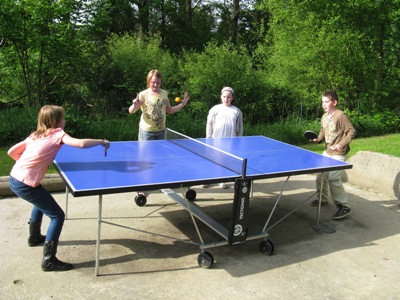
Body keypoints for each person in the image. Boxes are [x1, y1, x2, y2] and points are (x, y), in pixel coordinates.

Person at [8, 105, 110, 271]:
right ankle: (49, 260)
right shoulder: (58, 134)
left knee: (40, 200)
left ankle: (34, 238)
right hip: (25, 184)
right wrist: (101, 142)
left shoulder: (35, 135)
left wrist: (26, 166)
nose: (65, 120)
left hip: (15, 179)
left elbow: (12, 152)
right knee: (57, 216)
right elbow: (81, 144)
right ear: (56, 121)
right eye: (63, 118)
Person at [309, 91, 356, 220]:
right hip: (328, 150)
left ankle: (344, 206)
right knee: (320, 175)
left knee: (333, 178)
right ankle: (323, 199)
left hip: (339, 152)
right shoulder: (325, 116)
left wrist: (341, 144)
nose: (324, 104)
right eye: (322, 102)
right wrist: (318, 139)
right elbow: (323, 130)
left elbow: (351, 131)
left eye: (327, 102)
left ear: (334, 102)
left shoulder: (341, 116)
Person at [128, 69, 189, 141]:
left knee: (160, 152)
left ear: (161, 82)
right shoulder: (143, 94)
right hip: (147, 132)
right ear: (148, 81)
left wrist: (183, 104)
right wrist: (134, 105)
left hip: (161, 131)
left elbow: (169, 110)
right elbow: (131, 111)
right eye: (153, 82)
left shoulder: (164, 93)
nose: (155, 85)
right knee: (146, 152)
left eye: (158, 83)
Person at [205, 86, 243, 189]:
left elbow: (239, 128)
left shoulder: (237, 111)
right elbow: (209, 124)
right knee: (211, 161)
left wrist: (238, 141)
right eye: (224, 97)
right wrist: (208, 138)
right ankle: (207, 180)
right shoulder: (215, 109)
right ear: (221, 97)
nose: (226, 99)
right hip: (216, 141)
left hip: (230, 142)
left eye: (229, 97)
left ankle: (221, 180)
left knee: (225, 162)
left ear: (232, 98)